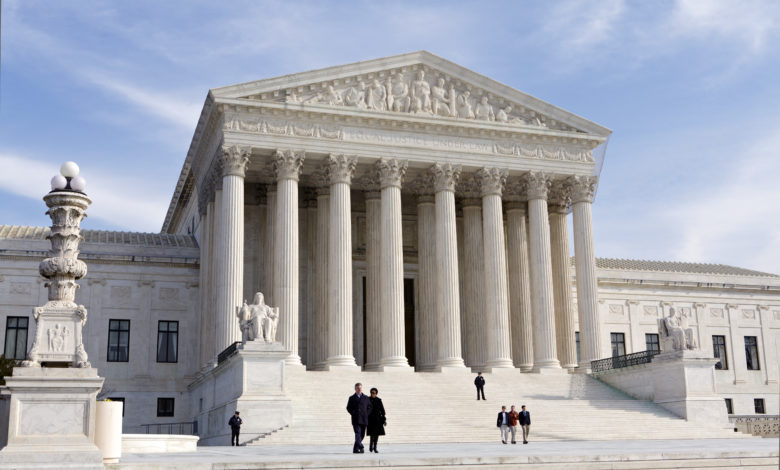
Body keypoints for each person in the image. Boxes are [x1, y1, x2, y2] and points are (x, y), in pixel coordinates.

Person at [346, 382, 372, 453]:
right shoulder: (351, 398)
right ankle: (361, 446)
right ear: (355, 389)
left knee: (362, 435)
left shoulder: (366, 397)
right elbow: (348, 408)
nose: (359, 389)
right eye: (357, 388)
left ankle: (355, 449)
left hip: (364, 419)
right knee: (357, 433)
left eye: (360, 388)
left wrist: (367, 414)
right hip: (356, 419)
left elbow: (370, 407)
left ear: (361, 388)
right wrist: (353, 413)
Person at [367, 387, 386, 453]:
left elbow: (382, 410)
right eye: (372, 393)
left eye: (374, 393)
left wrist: (384, 419)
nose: (373, 394)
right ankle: (370, 446)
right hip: (370, 420)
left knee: (376, 435)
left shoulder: (379, 400)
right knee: (372, 435)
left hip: (377, 420)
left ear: (376, 393)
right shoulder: (368, 399)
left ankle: (375, 447)